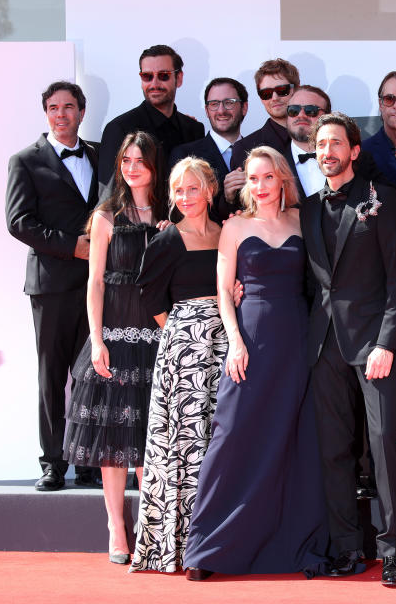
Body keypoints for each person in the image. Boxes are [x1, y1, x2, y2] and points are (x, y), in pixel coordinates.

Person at [182, 146, 329, 580]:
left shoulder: (303, 221)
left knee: (292, 440)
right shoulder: (235, 226)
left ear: (282, 179)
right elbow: (225, 291)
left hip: (296, 339)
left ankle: (295, 544)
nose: (260, 186)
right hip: (250, 339)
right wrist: (235, 343)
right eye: (253, 179)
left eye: (267, 177)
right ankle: (208, 549)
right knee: (233, 437)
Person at [301, 113, 396, 586]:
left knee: (385, 446)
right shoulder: (306, 208)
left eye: (336, 143)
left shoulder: (383, 201)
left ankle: (392, 553)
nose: (328, 151)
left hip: (374, 346)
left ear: (354, 151)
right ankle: (348, 548)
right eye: (321, 143)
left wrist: (388, 343)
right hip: (323, 346)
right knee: (333, 452)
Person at [63, 132, 167, 563]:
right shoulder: (106, 216)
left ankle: (150, 525)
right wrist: (97, 339)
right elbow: (95, 282)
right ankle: (115, 527)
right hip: (114, 338)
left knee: (148, 439)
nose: (132, 167)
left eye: (139, 160)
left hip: (158, 337)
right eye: (126, 160)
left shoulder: (172, 212)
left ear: (153, 165)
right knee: (112, 443)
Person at [6, 80, 107, 491]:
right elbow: (19, 222)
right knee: (52, 376)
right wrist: (73, 248)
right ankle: (52, 462)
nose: (62, 113)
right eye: (54, 107)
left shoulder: (102, 154)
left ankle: (88, 462)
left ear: (82, 112)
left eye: (69, 106)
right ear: (45, 113)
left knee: (94, 374)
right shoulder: (25, 160)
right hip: (50, 285)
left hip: (98, 285)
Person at [129, 157, 225, 573]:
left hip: (227, 347)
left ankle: (217, 539)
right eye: (177, 190)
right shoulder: (167, 241)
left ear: (210, 190)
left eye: (192, 188)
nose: (185, 197)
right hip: (185, 352)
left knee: (219, 441)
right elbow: (149, 296)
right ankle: (184, 547)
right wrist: (185, 332)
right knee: (187, 445)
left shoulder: (228, 233)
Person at [99, 45, 204, 190]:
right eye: (147, 76)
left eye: (163, 75)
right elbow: (108, 194)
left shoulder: (194, 129)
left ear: (178, 78)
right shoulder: (119, 129)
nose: (154, 84)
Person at [168, 78, 249, 221]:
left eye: (229, 103)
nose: (221, 110)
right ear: (206, 110)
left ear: (244, 108)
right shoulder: (184, 155)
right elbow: (178, 214)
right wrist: (226, 197)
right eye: (214, 104)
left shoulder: (259, 153)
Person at [228, 58, 300, 171]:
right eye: (266, 93)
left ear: (296, 90)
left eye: (282, 90)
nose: (274, 98)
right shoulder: (245, 149)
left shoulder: (319, 137)